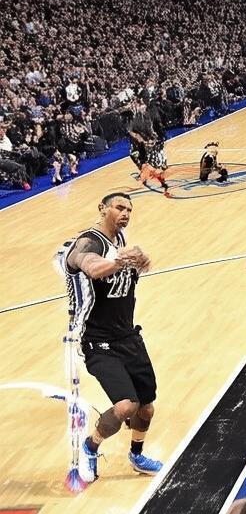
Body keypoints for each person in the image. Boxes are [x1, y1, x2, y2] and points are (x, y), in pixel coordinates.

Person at [61, 192, 163, 484]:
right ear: (102, 208)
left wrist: (140, 261)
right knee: (126, 406)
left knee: (146, 408)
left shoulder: (119, 240)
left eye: (129, 209)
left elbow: (131, 270)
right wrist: (123, 259)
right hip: (97, 340)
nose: (125, 213)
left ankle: (136, 455)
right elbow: (93, 268)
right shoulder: (88, 242)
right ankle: (90, 447)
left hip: (128, 336)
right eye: (119, 207)